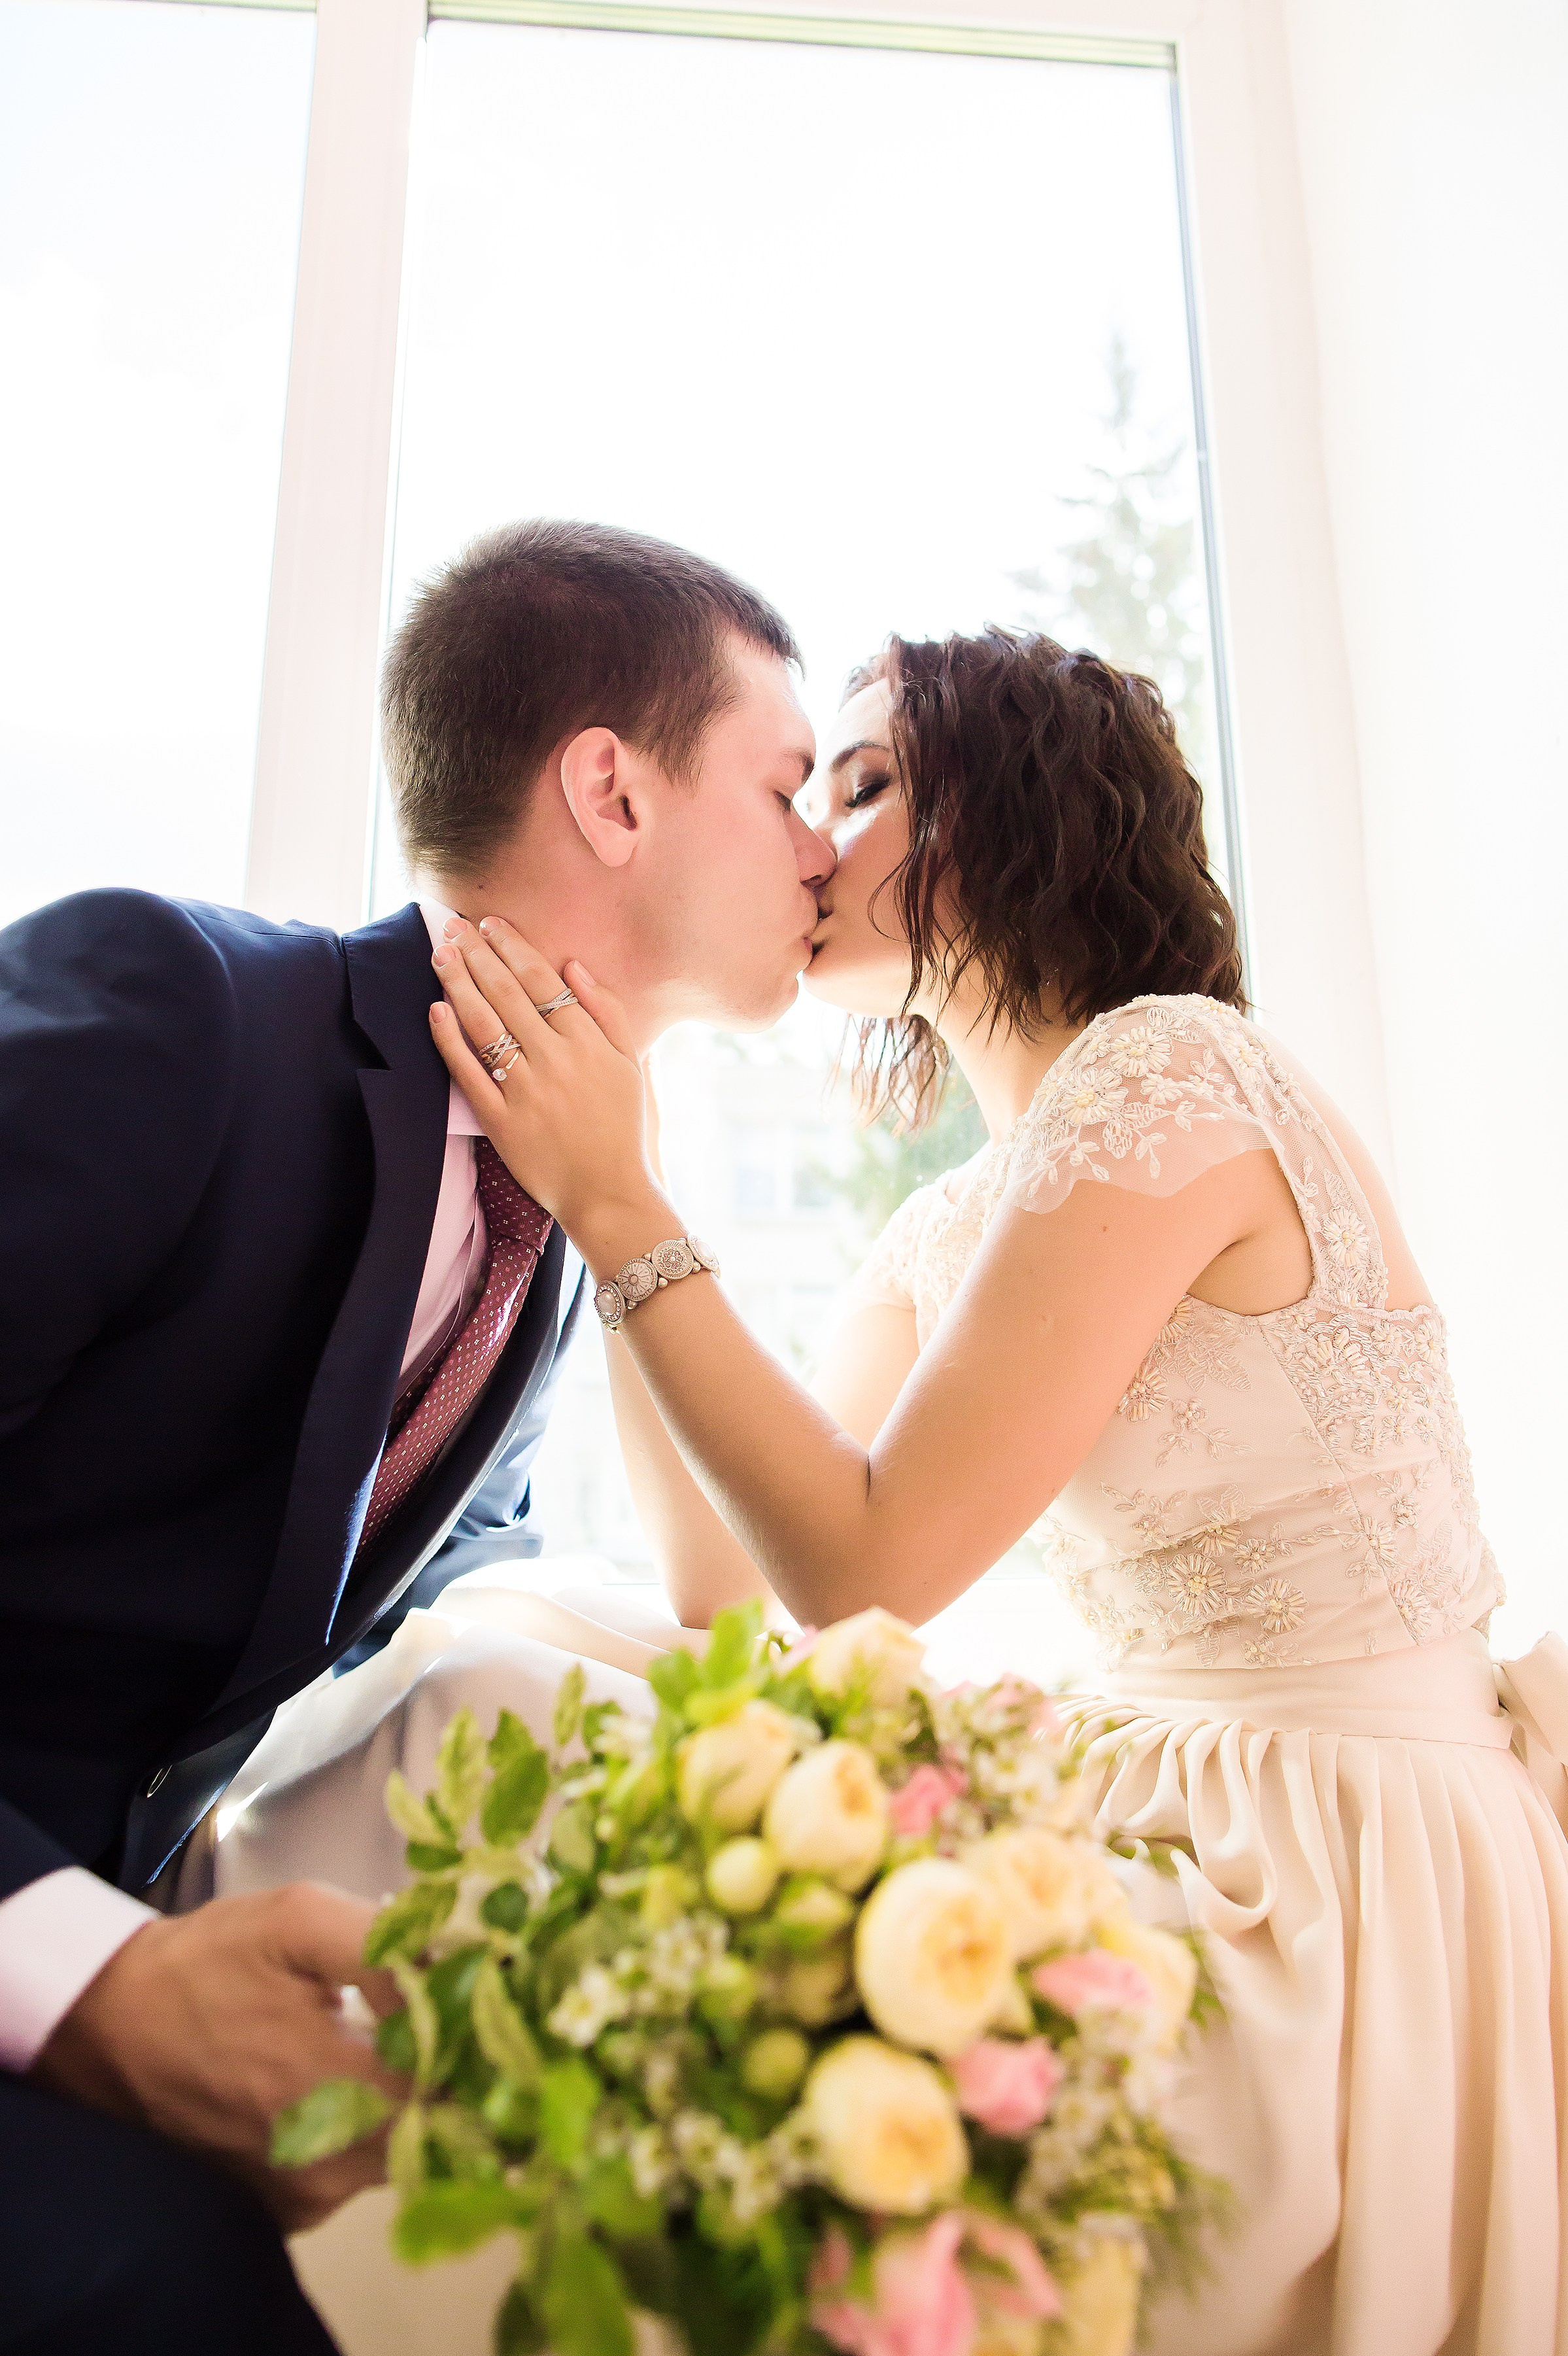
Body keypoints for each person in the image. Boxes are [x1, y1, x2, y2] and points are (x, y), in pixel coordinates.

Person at [241, 622, 1568, 2355]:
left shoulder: (1171, 1071)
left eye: (863, 786)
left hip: (1337, 1874)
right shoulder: (956, 1222)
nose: (813, 842)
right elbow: (734, 1590)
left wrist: (623, 1206)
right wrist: (623, 1170)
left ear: (1014, 817)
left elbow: (874, 1565)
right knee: (509, 1653)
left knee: (519, 1733)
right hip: (1172, 1796)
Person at [0, 519, 830, 2354]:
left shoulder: (548, 1230)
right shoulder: (181, 1011)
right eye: (786, 788)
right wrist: (93, 1974)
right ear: (611, 792)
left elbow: (476, 1581)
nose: (825, 850)